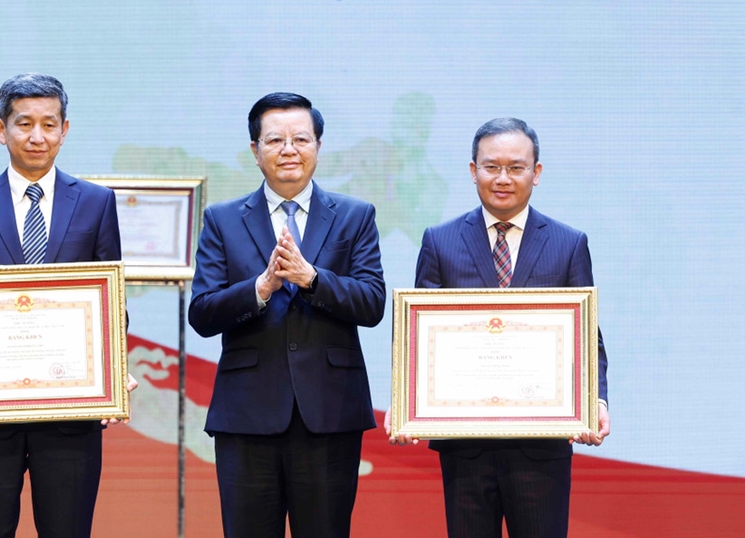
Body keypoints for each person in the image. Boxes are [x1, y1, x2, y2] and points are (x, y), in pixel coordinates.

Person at [387, 118, 610, 538]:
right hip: (464, 447)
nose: (503, 178)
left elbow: (587, 336)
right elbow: (418, 333)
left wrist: (594, 399)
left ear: (536, 173)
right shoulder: (439, 240)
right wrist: (405, 402)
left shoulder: (568, 243)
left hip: (542, 445)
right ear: (473, 171)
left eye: (516, 167)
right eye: (491, 167)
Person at [0, 73, 136, 538]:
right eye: (24, 123)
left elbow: (111, 301)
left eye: (49, 124)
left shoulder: (96, 203)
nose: (37, 136)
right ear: (0, 129)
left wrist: (112, 370)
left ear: (65, 130)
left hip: (71, 413)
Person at [189, 92, 385, 538]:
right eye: (275, 140)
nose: (289, 149)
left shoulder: (355, 216)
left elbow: (372, 302)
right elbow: (202, 312)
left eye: (301, 138)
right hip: (246, 416)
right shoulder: (222, 219)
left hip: (330, 412)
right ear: (255, 150)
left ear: (318, 145)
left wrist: (312, 279)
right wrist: (260, 288)